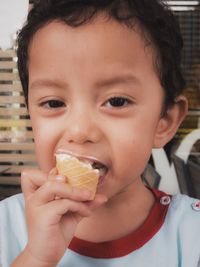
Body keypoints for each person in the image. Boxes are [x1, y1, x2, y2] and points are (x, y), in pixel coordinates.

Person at [0, 0, 199, 266]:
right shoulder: (6, 226)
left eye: (116, 101)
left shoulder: (191, 236)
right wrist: (36, 257)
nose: (80, 131)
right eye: (54, 103)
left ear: (164, 121)